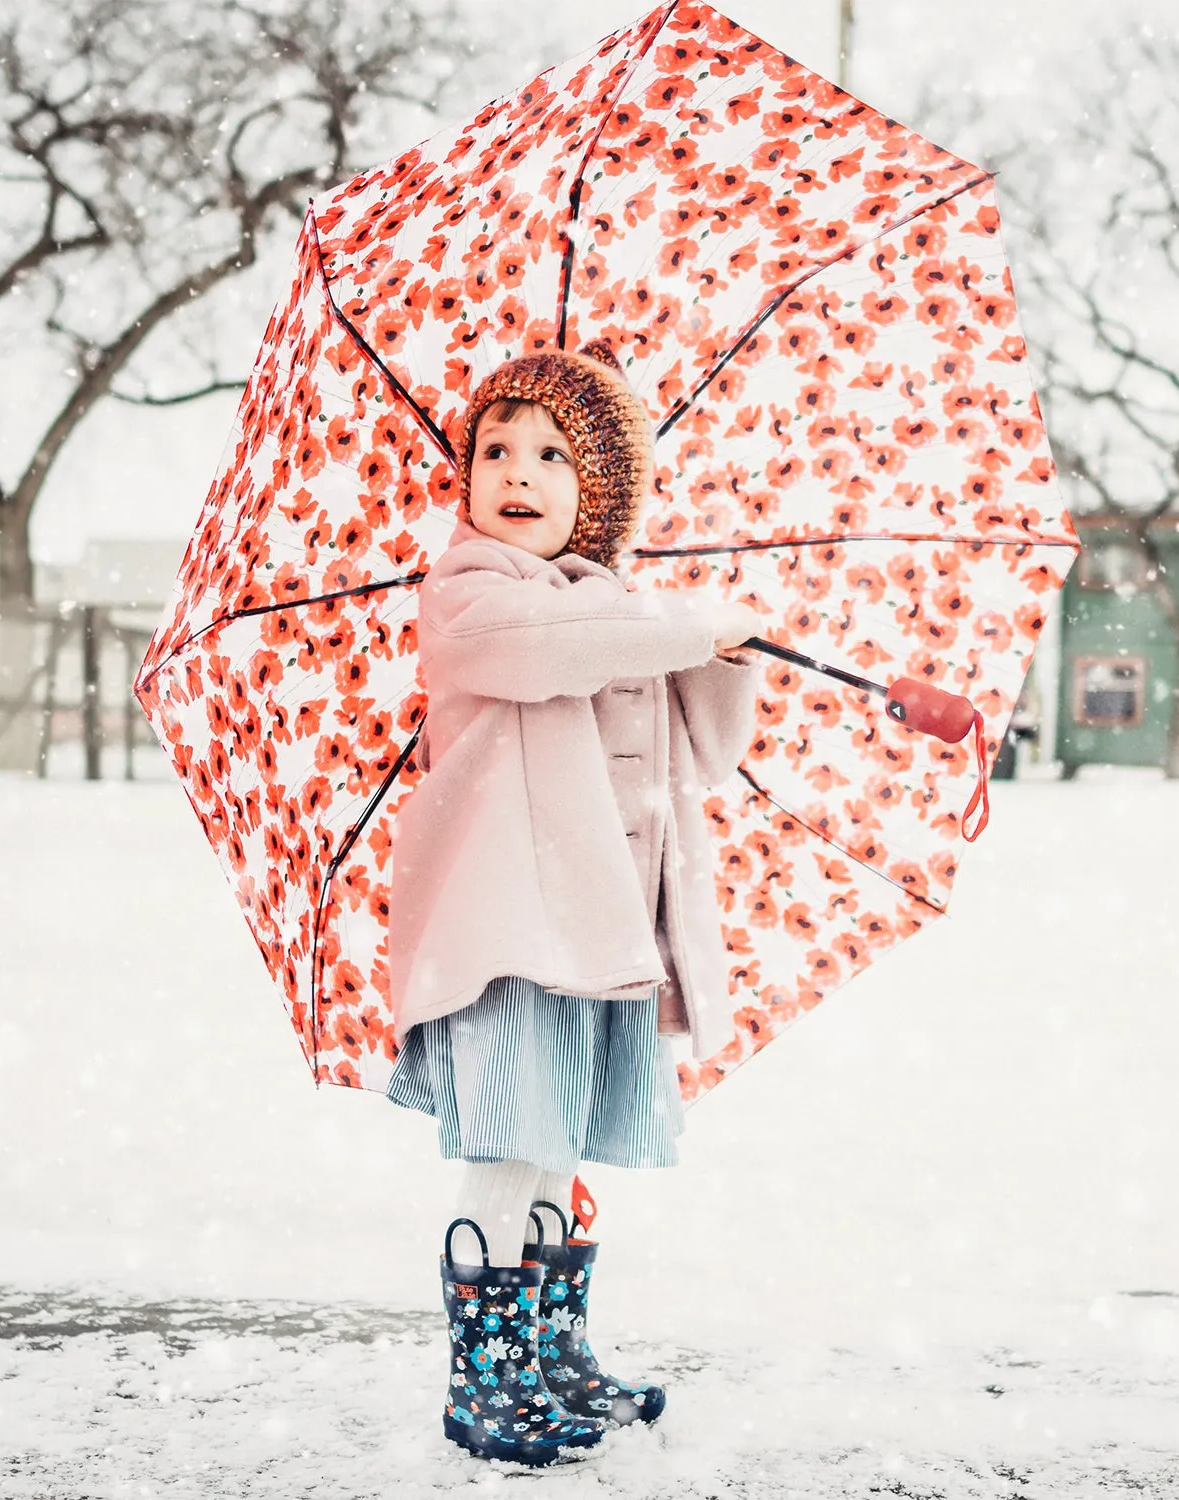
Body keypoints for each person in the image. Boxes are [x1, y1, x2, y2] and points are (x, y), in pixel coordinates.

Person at [383, 340, 764, 1467]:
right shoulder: (471, 592)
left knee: (556, 1158)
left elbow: (705, 754)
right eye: (495, 447)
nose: (517, 470)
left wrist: (723, 654)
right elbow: (541, 654)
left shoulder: (617, 608)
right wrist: (674, 630)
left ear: (601, 493)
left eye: (554, 455)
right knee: (508, 1152)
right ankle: (482, 1382)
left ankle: (550, 1357)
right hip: (509, 932)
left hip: (599, 937)